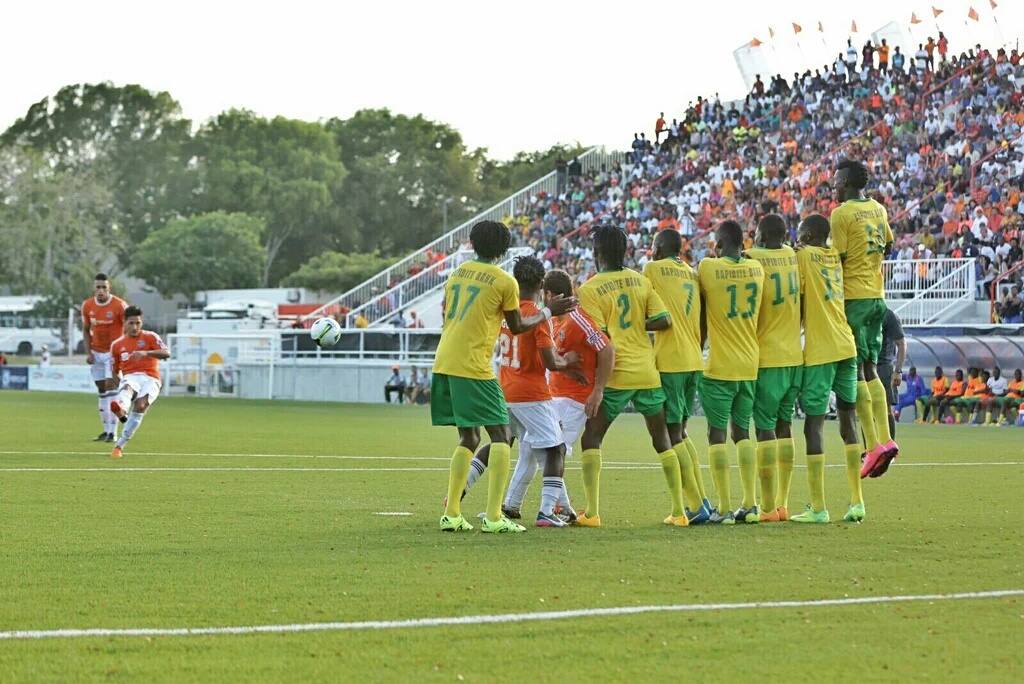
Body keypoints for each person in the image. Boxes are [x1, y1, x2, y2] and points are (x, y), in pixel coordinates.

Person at [433, 220, 575, 534]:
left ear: (472, 244)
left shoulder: (458, 273)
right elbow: (518, 325)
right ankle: (496, 516)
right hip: (476, 366)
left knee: (470, 437)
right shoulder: (503, 282)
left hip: (445, 359)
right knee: (501, 436)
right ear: (503, 249)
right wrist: (549, 311)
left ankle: (453, 512)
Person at [577, 225, 688, 527]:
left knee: (591, 437)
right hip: (647, 371)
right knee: (662, 439)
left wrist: (597, 385)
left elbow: (600, 339)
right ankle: (679, 512)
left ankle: (592, 513)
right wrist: (639, 325)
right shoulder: (641, 280)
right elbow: (664, 320)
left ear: (597, 252)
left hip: (617, 374)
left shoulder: (590, 289)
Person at [458, 256, 581, 528]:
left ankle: (462, 492)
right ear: (541, 284)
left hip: (505, 390)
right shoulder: (538, 316)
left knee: (503, 442)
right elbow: (550, 362)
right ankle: (547, 512)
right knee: (556, 449)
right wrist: (569, 362)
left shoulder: (507, 313)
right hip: (531, 394)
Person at [791, 214, 866, 523]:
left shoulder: (803, 255)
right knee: (848, 422)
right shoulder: (835, 254)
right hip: (847, 346)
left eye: (800, 235)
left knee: (814, 424)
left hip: (821, 350)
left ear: (807, 236)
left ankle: (818, 507)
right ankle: (857, 502)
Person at [830, 159, 898, 478]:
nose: (833, 186)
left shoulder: (841, 214)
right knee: (871, 368)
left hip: (854, 298)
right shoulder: (879, 209)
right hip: (877, 297)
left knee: (853, 368)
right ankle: (886, 439)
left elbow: (837, 258)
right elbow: (889, 244)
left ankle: (871, 446)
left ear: (846, 182)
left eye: (836, 181)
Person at [698, 220, 765, 524]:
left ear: (719, 245)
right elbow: (745, 259)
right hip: (749, 364)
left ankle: (723, 508)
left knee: (716, 434)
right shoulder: (757, 269)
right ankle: (750, 505)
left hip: (719, 366)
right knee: (742, 432)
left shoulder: (708, 267)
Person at [643, 229, 713, 524]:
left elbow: (643, 308)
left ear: (659, 249)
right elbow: (703, 318)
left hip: (671, 361)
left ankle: (696, 506)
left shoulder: (652, 268)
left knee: (671, 435)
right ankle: (702, 500)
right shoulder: (692, 273)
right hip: (694, 359)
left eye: (652, 246)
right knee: (681, 433)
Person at [745, 214, 802, 523]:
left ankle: (767, 507)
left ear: (763, 235)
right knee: (785, 425)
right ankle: (783, 503)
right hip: (795, 356)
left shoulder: (753, 257)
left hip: (768, 358)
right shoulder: (793, 255)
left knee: (764, 427)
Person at [108, 306, 170, 459]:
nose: (135, 327)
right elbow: (114, 371)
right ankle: (121, 409)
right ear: (124, 322)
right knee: (127, 388)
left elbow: (166, 353)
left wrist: (146, 353)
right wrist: (120, 385)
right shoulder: (117, 345)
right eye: (131, 323)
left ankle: (119, 446)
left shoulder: (151, 337)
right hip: (131, 376)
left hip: (151, 378)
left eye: (138, 323)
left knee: (141, 405)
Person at [81, 273, 128, 443]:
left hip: (113, 353)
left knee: (111, 386)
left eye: (104, 287)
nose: (101, 290)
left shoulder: (119, 305)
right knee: (101, 389)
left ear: (109, 288)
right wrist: (88, 352)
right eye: (98, 287)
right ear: (94, 288)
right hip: (96, 352)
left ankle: (113, 433)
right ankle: (106, 430)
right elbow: (86, 330)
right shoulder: (87, 305)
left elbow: (129, 328)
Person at [877, 307, 906, 437]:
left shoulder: (888, 315)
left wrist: (898, 371)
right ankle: (869, 447)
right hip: (865, 366)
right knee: (866, 411)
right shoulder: (863, 311)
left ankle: (890, 446)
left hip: (884, 367)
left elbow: (902, 344)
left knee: (886, 409)